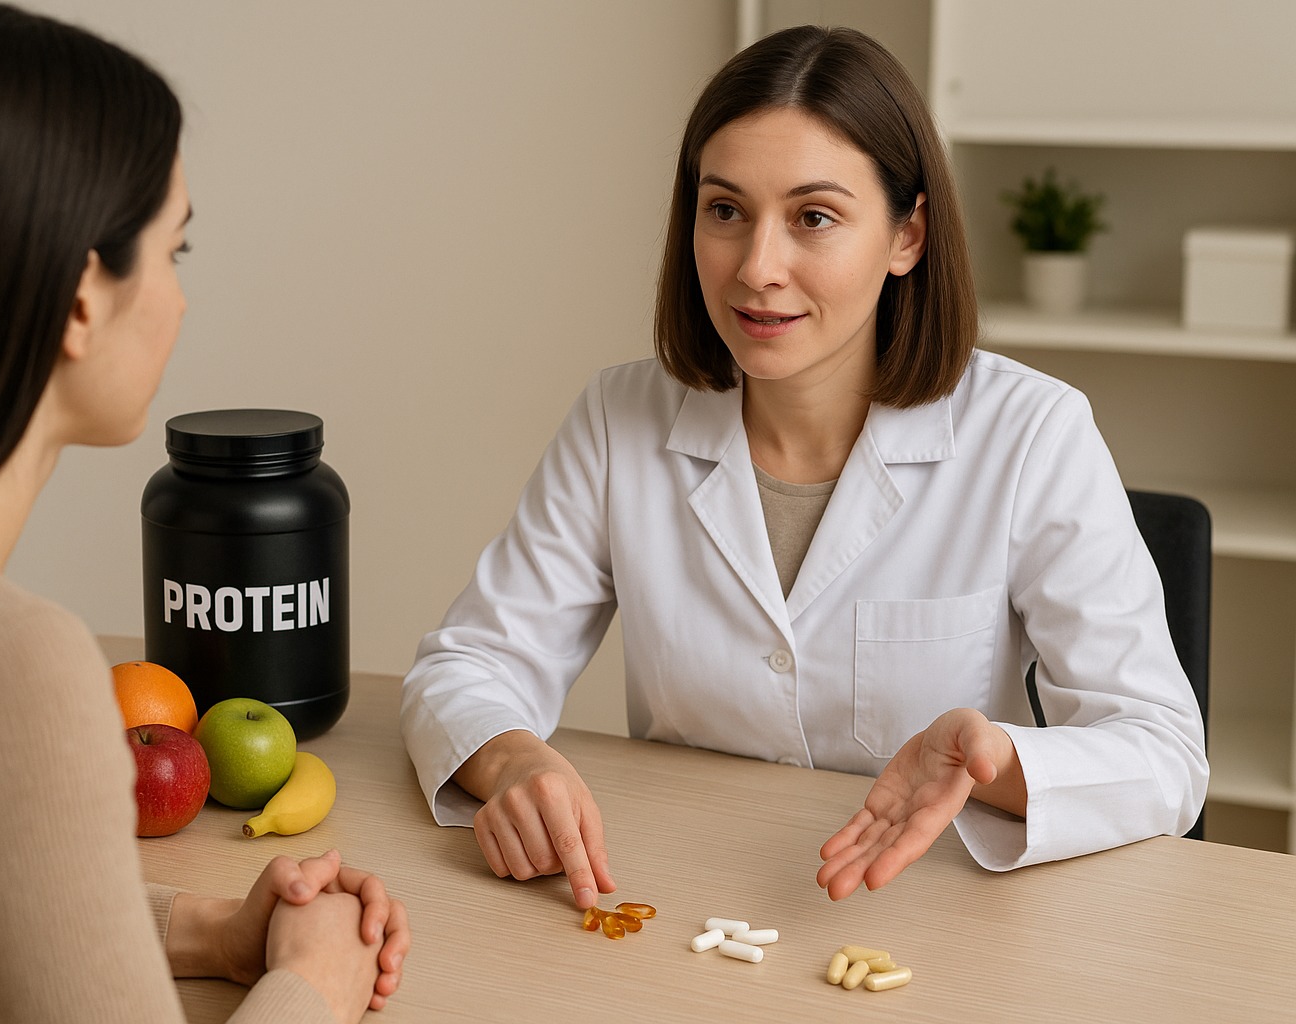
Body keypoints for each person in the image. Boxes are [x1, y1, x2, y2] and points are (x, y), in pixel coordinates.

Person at [400, 24, 1207, 907]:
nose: (757, 268)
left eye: (813, 217)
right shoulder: (619, 416)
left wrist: (996, 762)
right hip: (684, 895)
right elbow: (467, 665)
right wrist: (510, 756)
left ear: (907, 237)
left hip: (929, 914)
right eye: (726, 210)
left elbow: (1163, 753)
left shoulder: (1031, 434)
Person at [0, 6, 406, 1023]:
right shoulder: (1, 662)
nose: (181, 303)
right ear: (77, 300)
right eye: (172, 252)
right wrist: (313, 983)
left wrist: (203, 928)